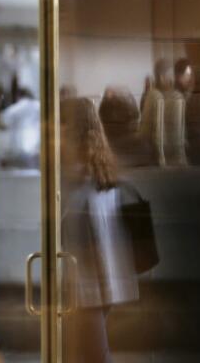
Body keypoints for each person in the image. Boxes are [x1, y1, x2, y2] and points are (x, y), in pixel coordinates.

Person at [60, 97, 138, 363]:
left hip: (87, 278)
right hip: (109, 272)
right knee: (88, 350)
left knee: (95, 354)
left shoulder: (74, 171)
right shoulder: (103, 164)